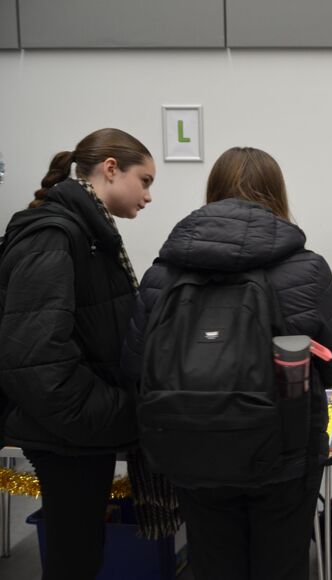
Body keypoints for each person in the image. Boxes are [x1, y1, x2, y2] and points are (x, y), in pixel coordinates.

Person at [121, 146, 332, 580]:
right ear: (277, 193)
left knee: (213, 561)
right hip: (285, 451)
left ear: (213, 192)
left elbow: (136, 367)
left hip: (190, 447)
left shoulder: (163, 274)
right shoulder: (307, 269)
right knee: (282, 565)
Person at [0, 128, 154, 580]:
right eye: (144, 181)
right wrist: (114, 411)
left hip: (77, 429)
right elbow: (36, 359)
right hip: (68, 433)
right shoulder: (54, 235)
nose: (148, 196)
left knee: (83, 553)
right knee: (75, 560)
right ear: (111, 169)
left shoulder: (88, 233)